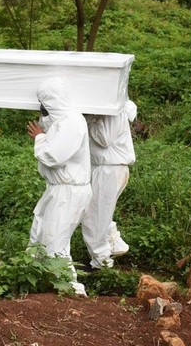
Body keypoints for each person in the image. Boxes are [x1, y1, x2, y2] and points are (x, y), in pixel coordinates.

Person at [26, 77, 93, 296]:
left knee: (55, 241)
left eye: (44, 102)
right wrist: (44, 130)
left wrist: (39, 138)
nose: (42, 108)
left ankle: (71, 289)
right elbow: (53, 131)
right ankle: (46, 283)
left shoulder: (72, 122)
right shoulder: (63, 120)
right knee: (42, 234)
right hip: (60, 189)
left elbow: (54, 155)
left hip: (69, 191)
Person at [81, 100, 137, 269]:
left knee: (95, 218)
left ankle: (101, 264)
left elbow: (104, 139)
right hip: (107, 168)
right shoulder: (108, 109)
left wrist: (88, 119)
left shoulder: (114, 112)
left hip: (110, 169)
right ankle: (114, 244)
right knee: (100, 213)